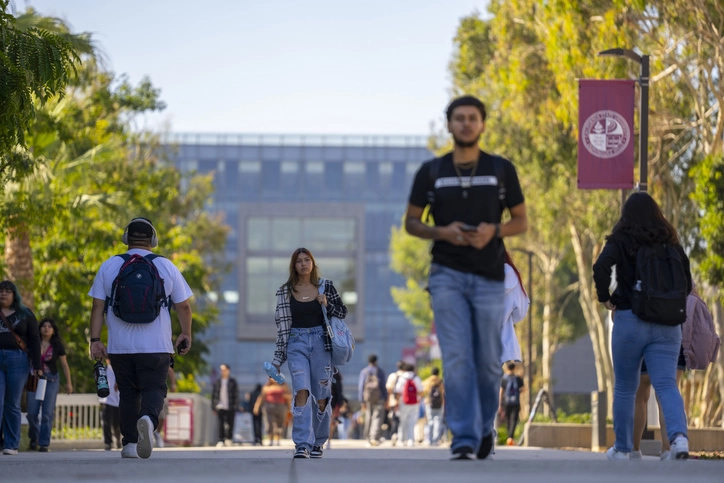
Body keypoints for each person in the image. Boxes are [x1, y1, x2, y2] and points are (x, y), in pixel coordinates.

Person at [405, 95, 528, 460]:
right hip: (446, 275)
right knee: (457, 357)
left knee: (489, 358)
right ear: (449, 124)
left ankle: (484, 425)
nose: (466, 124)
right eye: (459, 118)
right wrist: (442, 232)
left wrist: (495, 231)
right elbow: (411, 222)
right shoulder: (432, 172)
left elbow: (521, 221)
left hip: (489, 275)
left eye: (473, 118)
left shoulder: (501, 170)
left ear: (482, 124)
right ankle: (463, 436)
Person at [593, 192, 691, 461]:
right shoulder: (670, 241)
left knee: (625, 387)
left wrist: (607, 299)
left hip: (629, 319)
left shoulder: (621, 240)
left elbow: (601, 267)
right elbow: (687, 280)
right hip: (667, 326)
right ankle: (679, 439)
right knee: (667, 385)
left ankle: (624, 449)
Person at [89, 217, 193, 459]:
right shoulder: (165, 266)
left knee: (127, 393)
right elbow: (184, 307)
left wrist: (95, 340)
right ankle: (147, 418)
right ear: (153, 240)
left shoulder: (110, 265)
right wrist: (185, 333)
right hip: (156, 345)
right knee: (154, 388)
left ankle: (129, 444)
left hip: (120, 346)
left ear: (126, 238)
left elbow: (97, 307)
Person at [270, 247, 348, 459]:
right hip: (296, 343)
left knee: (322, 396)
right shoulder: (285, 291)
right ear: (293, 266)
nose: (303, 264)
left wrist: (327, 303)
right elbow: (282, 328)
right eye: (299, 261)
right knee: (301, 390)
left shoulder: (326, 286)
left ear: (312, 263)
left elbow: (343, 311)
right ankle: (302, 443)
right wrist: (277, 360)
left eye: (307, 260)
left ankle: (318, 442)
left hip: (321, 344)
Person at [0, 280, 42, 455]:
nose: (3, 294)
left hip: (18, 360)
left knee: (12, 403)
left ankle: (11, 445)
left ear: (14, 294)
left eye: (8, 291)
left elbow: (34, 339)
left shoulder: (25, 313)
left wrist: (38, 366)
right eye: (1, 291)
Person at [27, 317, 73, 452]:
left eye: (49, 326)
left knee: (47, 413)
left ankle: (43, 443)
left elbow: (64, 365)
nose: (46, 328)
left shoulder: (57, 345)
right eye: (44, 326)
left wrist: (69, 383)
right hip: (34, 380)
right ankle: (34, 437)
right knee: (32, 413)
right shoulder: (33, 342)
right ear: (39, 328)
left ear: (53, 330)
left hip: (51, 380)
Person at [358, 354, 387, 446]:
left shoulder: (364, 372)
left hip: (368, 398)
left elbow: (361, 387)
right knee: (377, 417)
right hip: (379, 398)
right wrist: (385, 397)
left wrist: (361, 400)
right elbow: (383, 386)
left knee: (368, 417)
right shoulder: (380, 371)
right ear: (376, 361)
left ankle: (368, 438)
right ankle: (374, 437)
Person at [254, 379, 290, 446]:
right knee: (270, 423)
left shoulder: (284, 386)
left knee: (279, 424)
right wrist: (257, 406)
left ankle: (277, 440)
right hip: (269, 408)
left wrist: (289, 406)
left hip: (281, 407)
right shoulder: (266, 387)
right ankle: (270, 440)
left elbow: (289, 397)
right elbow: (261, 397)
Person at [395, 363, 423, 447]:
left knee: (403, 422)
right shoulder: (416, 378)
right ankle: (411, 440)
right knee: (412, 422)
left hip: (404, 402)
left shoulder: (402, 378)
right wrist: (418, 399)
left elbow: (398, 391)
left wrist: (397, 403)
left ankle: (401, 440)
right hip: (414, 403)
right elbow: (421, 390)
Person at [211, 363, 239, 447]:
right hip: (220, 406)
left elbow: (236, 394)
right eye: (221, 369)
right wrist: (213, 407)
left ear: (228, 371)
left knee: (230, 423)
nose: (222, 371)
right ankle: (221, 440)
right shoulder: (217, 382)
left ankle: (229, 438)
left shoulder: (232, 382)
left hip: (230, 406)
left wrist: (235, 406)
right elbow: (214, 395)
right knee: (220, 424)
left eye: (224, 369)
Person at [499, 362, 524, 445]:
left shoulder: (504, 378)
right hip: (516, 402)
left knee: (508, 420)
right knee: (514, 420)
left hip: (506, 402)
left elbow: (501, 391)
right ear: (514, 368)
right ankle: (510, 438)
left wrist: (500, 404)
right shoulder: (517, 378)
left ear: (506, 368)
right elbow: (523, 389)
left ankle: (509, 438)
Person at [99, 358, 122, 450]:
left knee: (117, 424)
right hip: (106, 400)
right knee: (106, 423)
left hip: (118, 401)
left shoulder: (121, 370)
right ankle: (108, 442)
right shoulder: (104, 370)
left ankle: (118, 439)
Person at [422, 367, 445, 446]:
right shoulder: (440, 381)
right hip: (440, 403)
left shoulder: (428, 381)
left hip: (429, 403)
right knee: (438, 421)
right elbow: (443, 392)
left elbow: (422, 391)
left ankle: (430, 439)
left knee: (430, 421)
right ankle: (436, 439)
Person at [385, 360, 405, 446]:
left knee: (395, 419)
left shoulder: (392, 376)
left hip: (393, 401)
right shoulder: (407, 376)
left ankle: (394, 434)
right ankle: (402, 437)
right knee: (403, 420)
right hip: (405, 402)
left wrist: (388, 401)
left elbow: (389, 389)